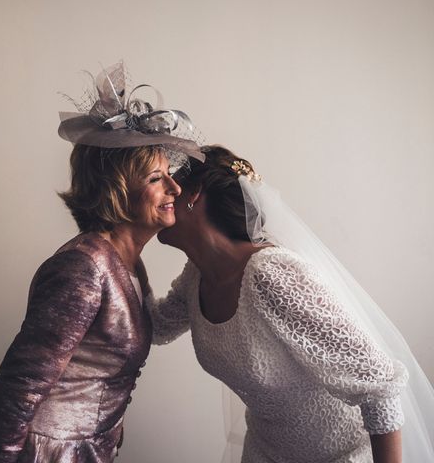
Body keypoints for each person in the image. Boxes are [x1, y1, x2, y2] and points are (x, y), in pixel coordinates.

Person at [0, 61, 204, 463]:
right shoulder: (84, 266)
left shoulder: (128, 263)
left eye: (169, 174)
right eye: (155, 178)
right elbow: (21, 384)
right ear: (116, 190)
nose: (175, 187)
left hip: (90, 450)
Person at [148, 145, 434, 462]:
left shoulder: (271, 274)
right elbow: (156, 327)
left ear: (193, 194)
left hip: (342, 454)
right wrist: (125, 243)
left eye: (168, 183)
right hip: (266, 452)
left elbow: (379, 385)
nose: (162, 196)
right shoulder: (197, 275)